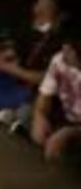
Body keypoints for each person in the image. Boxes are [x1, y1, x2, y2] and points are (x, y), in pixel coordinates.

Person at [0, 0, 63, 134]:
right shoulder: (29, 32)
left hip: (41, 93)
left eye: (46, 7)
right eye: (38, 4)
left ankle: (16, 118)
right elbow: (14, 52)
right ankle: (0, 111)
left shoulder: (59, 41)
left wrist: (6, 66)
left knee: (27, 110)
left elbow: (45, 78)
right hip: (19, 83)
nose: (39, 9)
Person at [32, 19, 81, 163]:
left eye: (70, 49)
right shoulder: (59, 60)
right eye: (65, 45)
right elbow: (44, 97)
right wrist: (39, 116)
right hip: (67, 120)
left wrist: (68, 133)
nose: (64, 51)